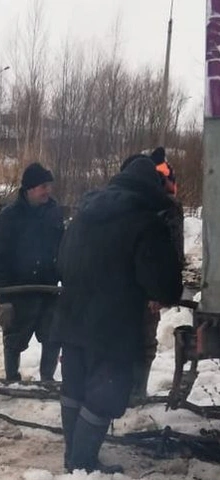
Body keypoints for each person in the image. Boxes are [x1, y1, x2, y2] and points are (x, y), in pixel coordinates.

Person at [52, 156, 183, 474]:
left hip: (71, 316)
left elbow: (61, 263)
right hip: (112, 326)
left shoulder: (84, 214)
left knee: (74, 388)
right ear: (151, 186)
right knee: (105, 394)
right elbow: (163, 284)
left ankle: (75, 460)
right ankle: (82, 465)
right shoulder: (146, 221)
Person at [0, 162, 63, 382]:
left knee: (52, 336)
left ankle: (47, 379)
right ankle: (12, 378)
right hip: (19, 291)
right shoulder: (9, 217)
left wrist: (65, 280)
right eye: (43, 186)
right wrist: (3, 300)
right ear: (30, 188)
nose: (48, 191)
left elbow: (63, 249)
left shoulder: (54, 213)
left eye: (49, 185)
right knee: (13, 339)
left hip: (48, 290)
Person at [127, 147, 185, 402]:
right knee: (142, 340)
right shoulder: (164, 205)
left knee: (137, 338)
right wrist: (161, 290)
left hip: (131, 283)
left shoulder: (136, 196)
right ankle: (135, 391)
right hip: (143, 284)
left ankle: (132, 390)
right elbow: (170, 253)